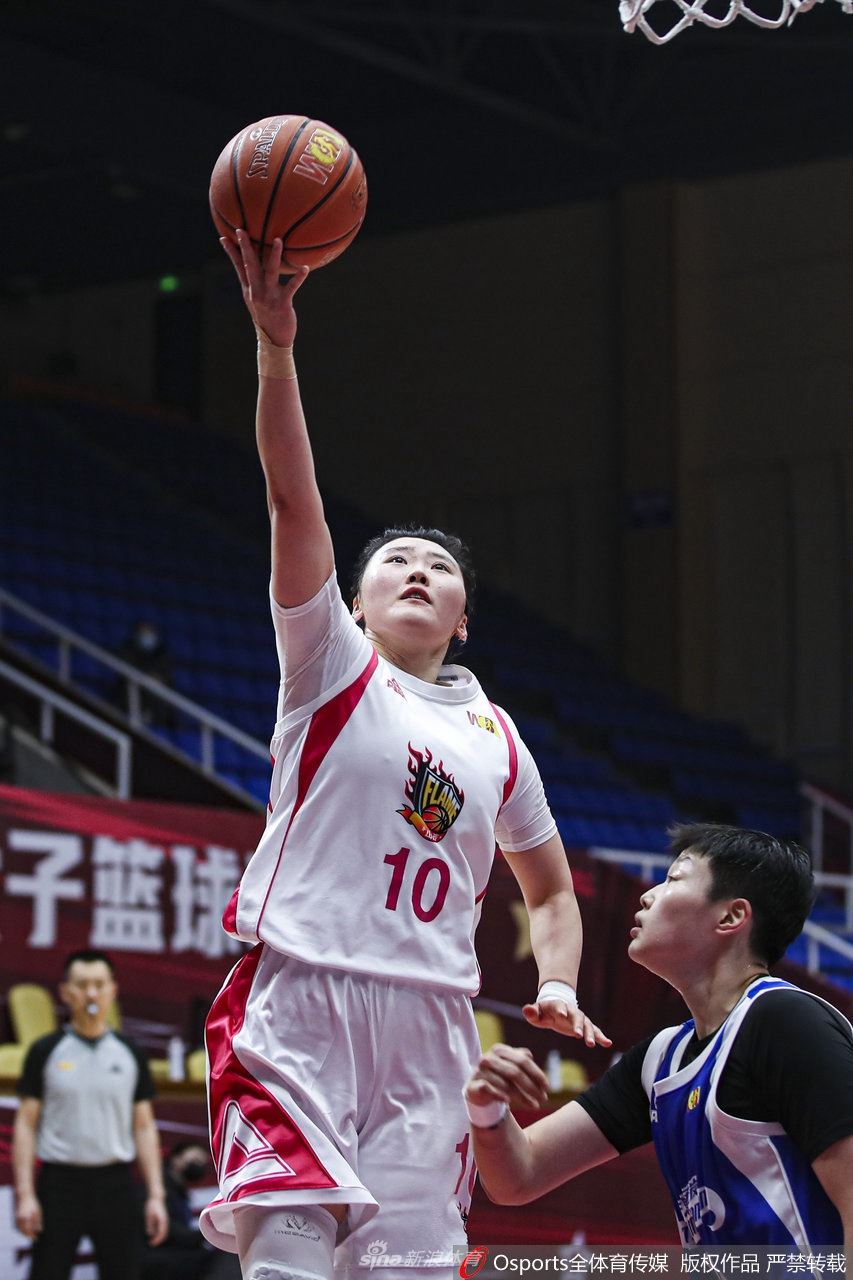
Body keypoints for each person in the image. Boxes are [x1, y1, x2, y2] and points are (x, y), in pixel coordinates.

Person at [199, 229, 610, 1280]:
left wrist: (557, 982)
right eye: (394, 561)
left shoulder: (497, 737)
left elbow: (549, 891)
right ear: (351, 603)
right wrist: (276, 347)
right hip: (302, 999)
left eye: (438, 566)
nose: (417, 569)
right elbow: (292, 498)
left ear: (464, 617)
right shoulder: (330, 666)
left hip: (433, 1027)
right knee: (288, 1261)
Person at [465, 823, 853, 1250]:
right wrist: (488, 1107)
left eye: (673, 879)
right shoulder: (659, 1062)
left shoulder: (786, 1022)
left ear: (731, 917)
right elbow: (518, 1177)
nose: (648, 895)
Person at [12, 949, 169, 1279]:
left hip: (115, 1184)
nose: (92, 993)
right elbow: (26, 1124)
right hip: (59, 1184)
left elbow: (144, 1126)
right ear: (65, 992)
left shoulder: (130, 1053)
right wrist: (25, 1194)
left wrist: (156, 1195)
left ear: (113, 990)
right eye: (82, 985)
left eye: (99, 984)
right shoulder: (45, 1051)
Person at [141, 1141, 241, 1280]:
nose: (198, 1166)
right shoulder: (157, 1191)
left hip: (176, 1254)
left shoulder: (181, 1193)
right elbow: (169, 1231)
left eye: (202, 1163)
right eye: (195, 1160)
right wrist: (210, 1232)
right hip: (156, 1257)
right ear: (176, 1159)